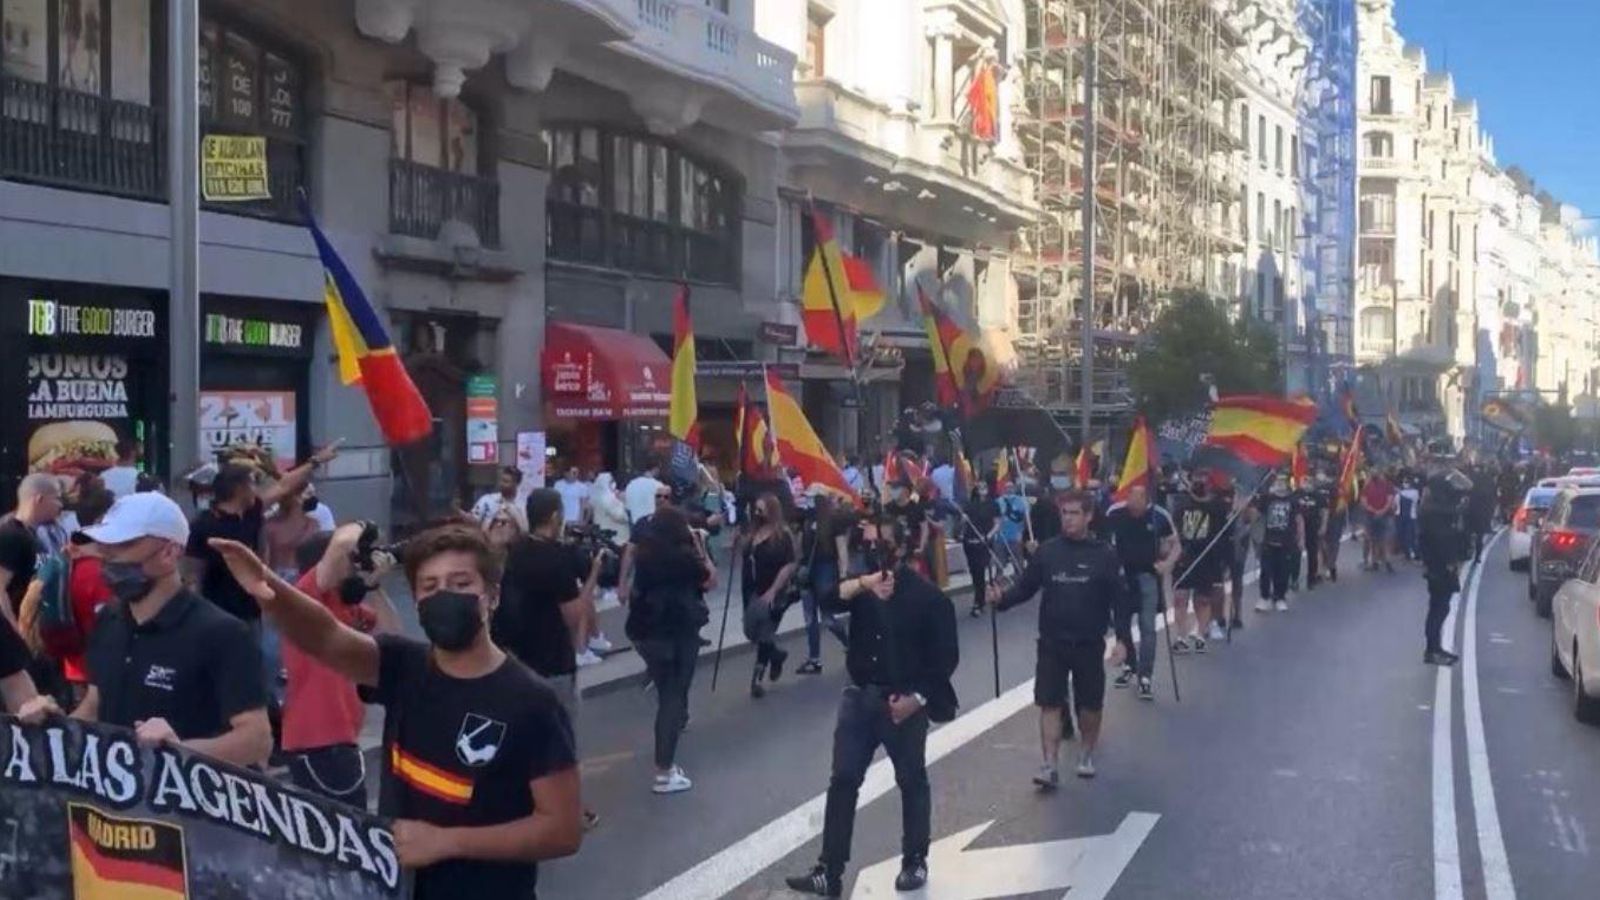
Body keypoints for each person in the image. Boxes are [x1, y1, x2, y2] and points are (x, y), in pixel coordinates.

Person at [205, 525, 582, 897]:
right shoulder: (403, 667)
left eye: (461, 583)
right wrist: (269, 590)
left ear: (492, 595)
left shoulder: (531, 701)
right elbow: (325, 636)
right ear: (416, 601)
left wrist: (447, 842)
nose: (444, 595)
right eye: (430, 587)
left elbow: (562, 830)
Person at [16, 492, 273, 768]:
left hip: (186, 805)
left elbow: (257, 741)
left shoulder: (221, 633)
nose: (109, 558)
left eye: (123, 545)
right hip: (112, 803)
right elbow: (95, 704)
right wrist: (51, 726)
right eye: (104, 546)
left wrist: (180, 751)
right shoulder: (109, 621)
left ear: (169, 552)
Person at [785, 518, 958, 897]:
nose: (869, 552)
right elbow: (826, 598)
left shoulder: (929, 598)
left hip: (903, 704)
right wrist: (862, 583)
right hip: (858, 697)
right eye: (866, 546)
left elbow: (945, 659)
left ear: (900, 548)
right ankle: (829, 870)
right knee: (843, 779)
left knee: (911, 781)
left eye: (877, 545)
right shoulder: (861, 588)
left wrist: (917, 700)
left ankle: (914, 859)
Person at [988, 491, 1121, 785]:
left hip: (1088, 643)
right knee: (1049, 703)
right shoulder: (1047, 552)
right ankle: (1049, 764)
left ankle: (1086, 753)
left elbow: (1118, 599)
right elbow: (1025, 588)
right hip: (1052, 642)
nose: (1068, 519)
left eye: (1074, 513)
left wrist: (1123, 639)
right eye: (1064, 513)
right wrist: (1001, 600)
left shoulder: (1105, 555)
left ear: (1088, 517)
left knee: (1090, 706)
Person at [185, 445, 340, 692]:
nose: (256, 489)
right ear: (239, 489)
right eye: (251, 484)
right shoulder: (204, 525)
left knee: (258, 664)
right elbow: (193, 571)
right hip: (217, 609)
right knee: (224, 668)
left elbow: (284, 486)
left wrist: (315, 462)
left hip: (251, 607)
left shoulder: (252, 511)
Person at [498, 488, 605, 828]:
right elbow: (575, 618)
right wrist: (592, 576)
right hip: (554, 662)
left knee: (527, 739)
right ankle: (569, 810)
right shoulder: (556, 560)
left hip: (517, 658)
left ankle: (524, 802)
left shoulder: (516, 553)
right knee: (561, 743)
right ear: (556, 517)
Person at [282, 526, 400, 806]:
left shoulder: (346, 606)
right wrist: (364, 529)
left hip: (341, 738)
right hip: (318, 739)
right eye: (352, 561)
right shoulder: (305, 599)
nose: (355, 566)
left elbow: (393, 635)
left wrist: (373, 587)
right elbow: (339, 547)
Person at [625, 505, 714, 795]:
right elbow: (710, 579)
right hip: (677, 633)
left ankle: (665, 766)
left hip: (647, 634)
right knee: (673, 699)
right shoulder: (684, 558)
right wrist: (699, 544)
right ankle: (664, 770)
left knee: (667, 696)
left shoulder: (646, 555)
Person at [1104, 485, 1177, 700]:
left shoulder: (1158, 516)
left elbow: (1175, 544)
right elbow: (1104, 541)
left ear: (1146, 499)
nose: (1132, 502)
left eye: (1137, 498)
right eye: (1130, 497)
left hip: (1148, 577)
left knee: (1148, 628)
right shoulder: (1115, 513)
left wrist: (1167, 564)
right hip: (1122, 578)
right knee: (1121, 626)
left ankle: (1146, 676)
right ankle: (1130, 666)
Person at [743, 493, 798, 698]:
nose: (757, 514)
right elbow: (747, 556)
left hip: (774, 591)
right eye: (755, 510)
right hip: (752, 590)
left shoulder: (782, 535)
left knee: (765, 633)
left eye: (761, 510)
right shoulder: (753, 533)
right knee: (751, 631)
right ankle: (776, 655)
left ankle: (756, 679)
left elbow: (790, 564)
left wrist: (774, 590)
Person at [1172, 473, 1230, 653]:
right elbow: (1173, 528)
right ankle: (1181, 637)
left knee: (1203, 600)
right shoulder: (1181, 503)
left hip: (1206, 558)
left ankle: (1200, 633)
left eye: (1204, 477)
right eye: (1197, 477)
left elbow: (1225, 531)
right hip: (1183, 558)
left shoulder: (1217, 506)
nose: (1200, 481)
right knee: (1180, 597)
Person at [1418, 466, 1470, 666]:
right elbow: (1442, 540)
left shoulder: (1435, 509)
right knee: (1438, 608)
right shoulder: (1435, 512)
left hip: (1437, 564)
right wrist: (1450, 562)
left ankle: (1436, 647)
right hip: (1439, 566)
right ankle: (1432, 649)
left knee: (1441, 607)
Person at [799, 492, 851, 673]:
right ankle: (814, 658)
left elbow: (841, 548)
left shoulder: (833, 520)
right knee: (810, 617)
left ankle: (849, 643)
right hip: (809, 570)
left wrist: (844, 573)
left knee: (827, 616)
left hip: (825, 568)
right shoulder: (806, 518)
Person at [1254, 475, 1303, 612]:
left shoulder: (1293, 500)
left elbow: (1299, 520)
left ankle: (1280, 597)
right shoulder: (1267, 498)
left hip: (1286, 542)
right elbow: (1256, 515)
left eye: (1282, 481)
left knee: (1283, 571)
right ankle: (1264, 597)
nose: (1279, 484)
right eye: (1277, 481)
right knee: (1265, 570)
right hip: (1268, 541)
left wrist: (1300, 538)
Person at [959, 482, 1001, 618]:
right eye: (980, 487)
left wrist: (988, 536)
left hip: (984, 542)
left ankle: (980, 601)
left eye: (985, 487)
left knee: (982, 569)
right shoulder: (970, 505)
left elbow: (997, 524)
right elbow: (962, 524)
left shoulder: (993, 504)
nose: (983, 490)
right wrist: (963, 520)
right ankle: (980, 598)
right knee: (975, 572)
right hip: (970, 542)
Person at [263, 485, 323, 580]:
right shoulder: (271, 526)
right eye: (308, 494)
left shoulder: (313, 524)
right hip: (277, 577)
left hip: (304, 575)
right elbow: (265, 558)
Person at [471, 467, 530, 535]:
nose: (501, 484)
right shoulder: (487, 500)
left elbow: (525, 530)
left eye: (506, 482)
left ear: (516, 484)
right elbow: (473, 520)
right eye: (501, 480)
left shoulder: (523, 505)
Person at [1361, 468, 1397, 573]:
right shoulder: (1368, 486)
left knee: (1382, 539)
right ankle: (1377, 561)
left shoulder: (1387, 485)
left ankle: (1383, 561)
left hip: (1382, 516)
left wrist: (1379, 511)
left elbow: (1390, 500)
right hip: (1376, 515)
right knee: (1376, 539)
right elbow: (1364, 500)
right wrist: (1378, 511)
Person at [1299, 473, 1330, 584]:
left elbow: (1325, 512)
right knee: (1295, 553)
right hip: (1298, 528)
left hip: (1313, 527)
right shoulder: (1298, 494)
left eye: (1309, 482)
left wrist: (1323, 526)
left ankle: (1312, 577)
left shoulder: (1319, 496)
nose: (1307, 485)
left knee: (1312, 553)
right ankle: (1293, 578)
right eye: (1305, 482)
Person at [625, 460, 667, 525]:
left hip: (636, 527)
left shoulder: (631, 485)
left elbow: (628, 509)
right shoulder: (659, 486)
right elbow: (664, 509)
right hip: (651, 527)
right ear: (656, 469)